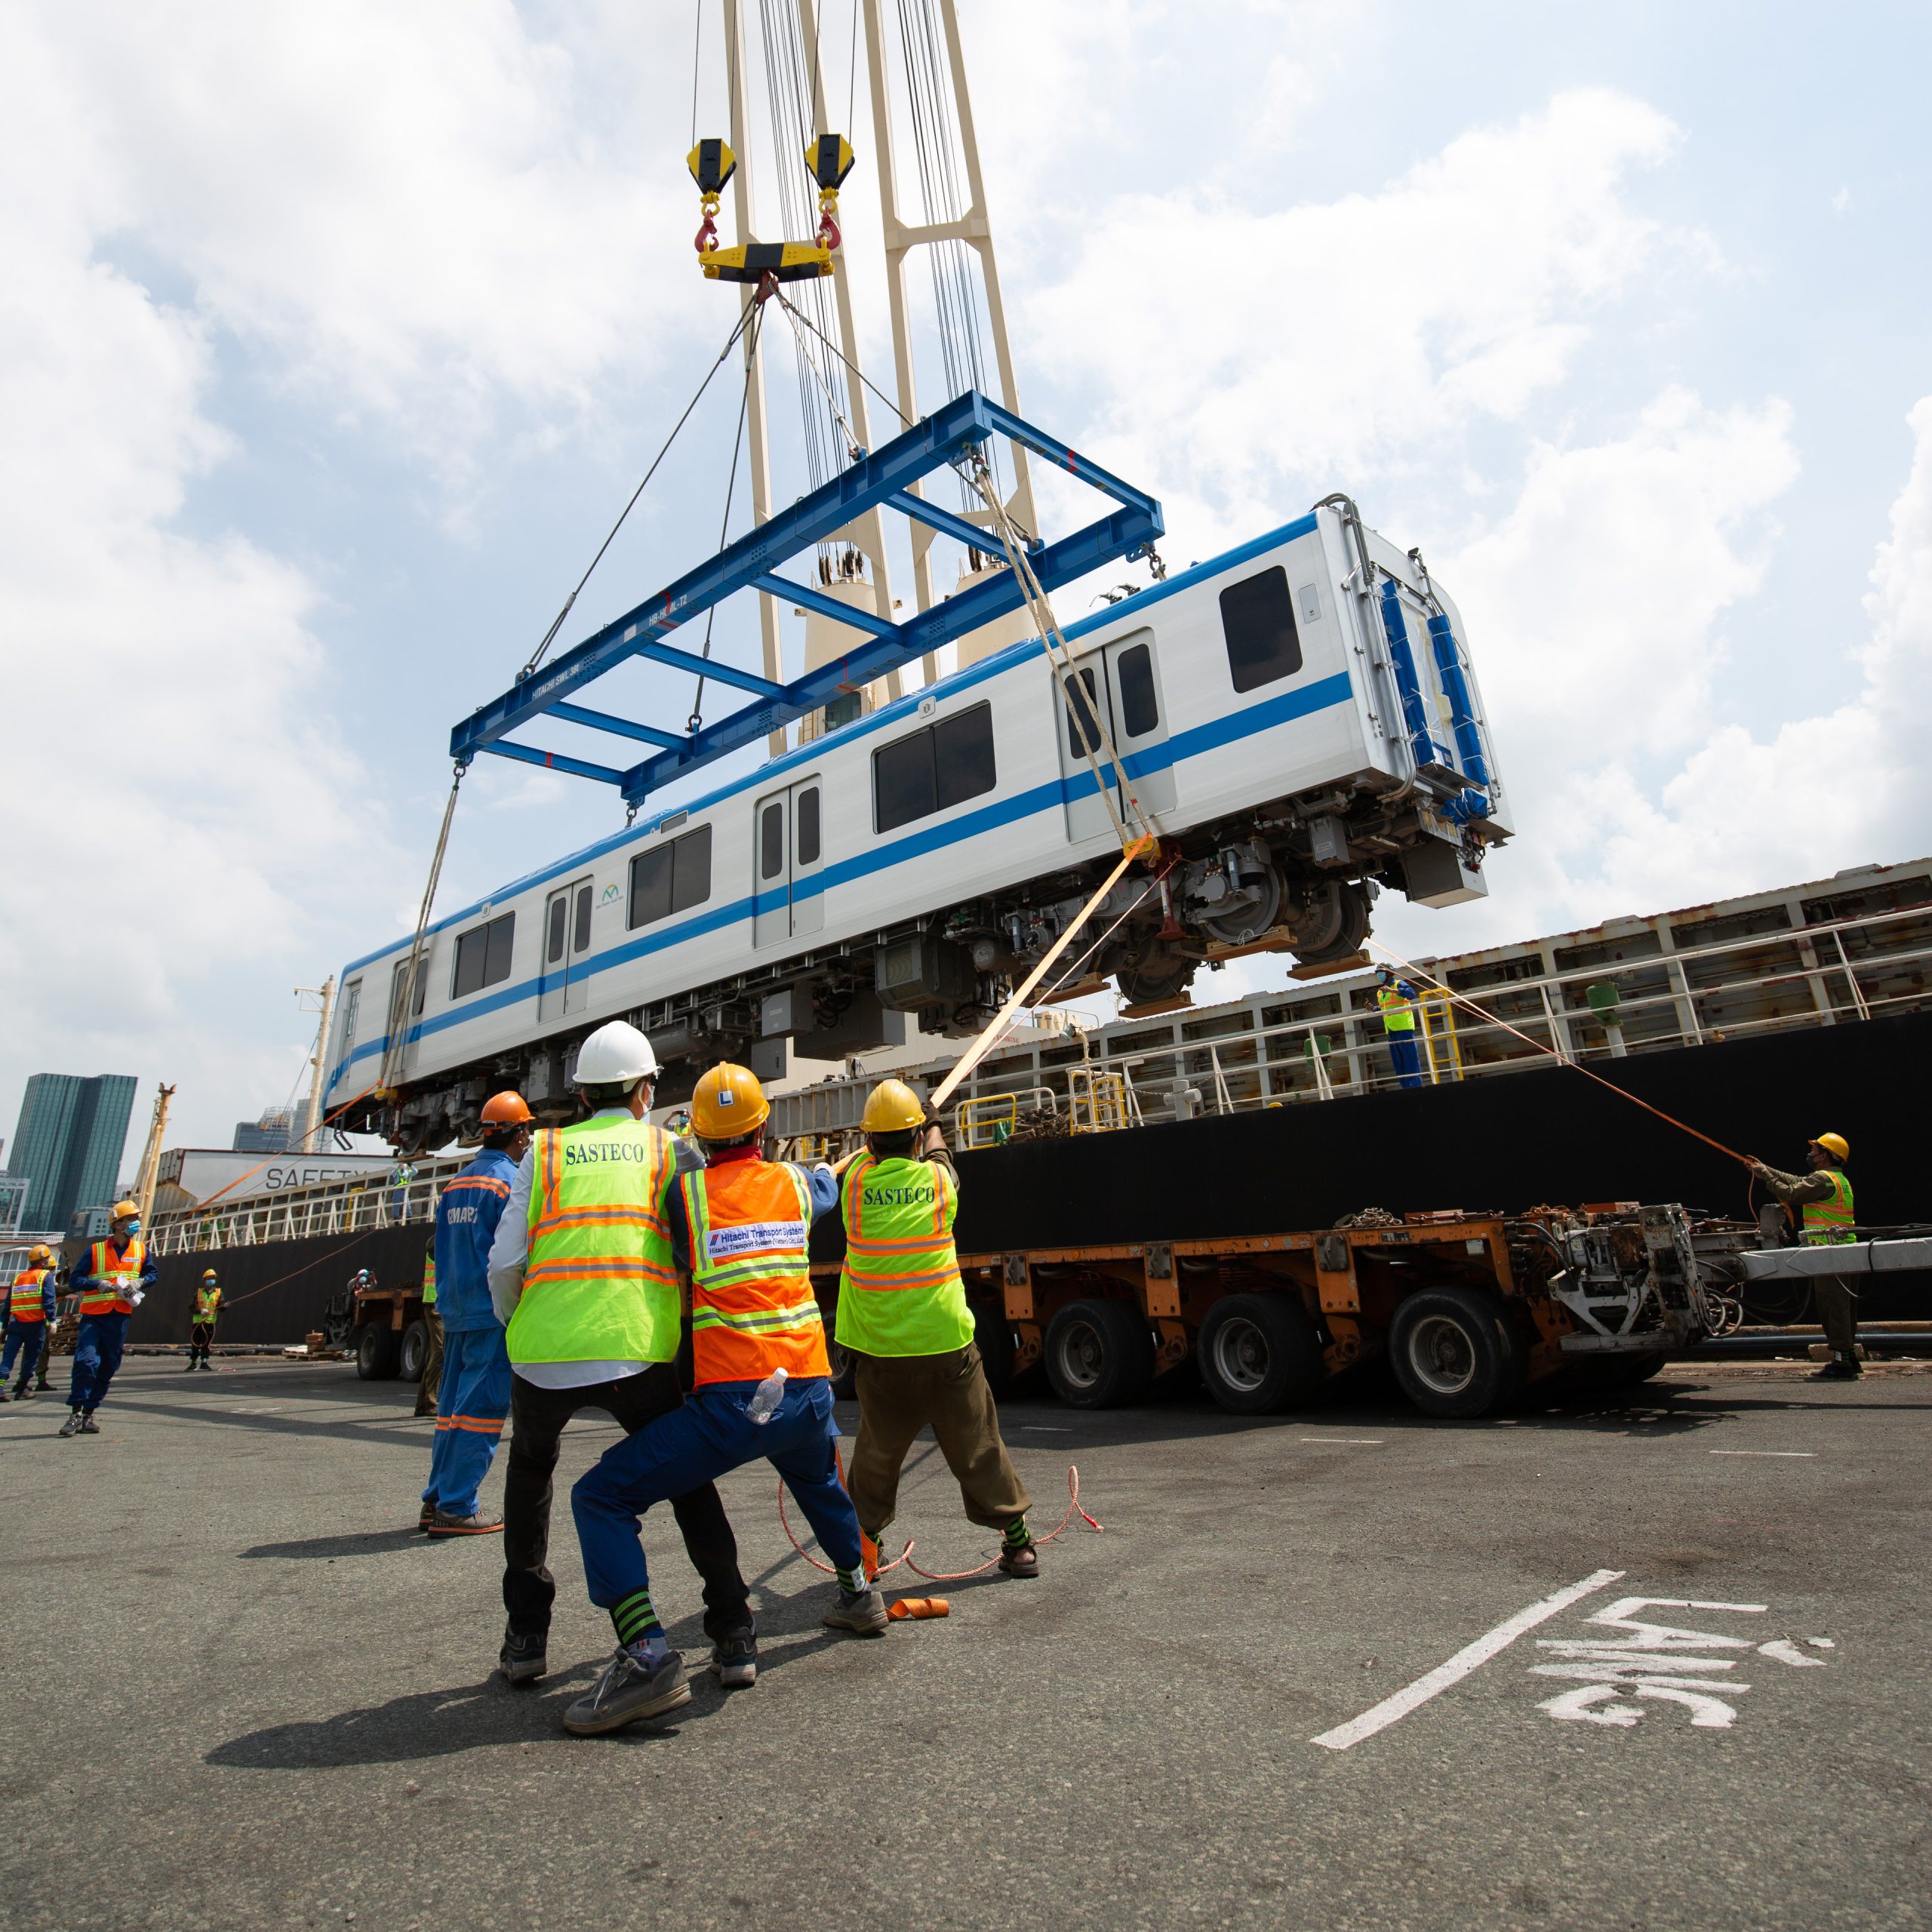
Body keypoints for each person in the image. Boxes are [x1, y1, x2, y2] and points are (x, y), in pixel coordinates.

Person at [565, 1063, 881, 1735]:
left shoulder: (688, 1197)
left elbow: (670, 1220)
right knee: (823, 1488)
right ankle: (859, 1595)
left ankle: (646, 1648)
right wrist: (849, 1157)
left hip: (731, 1407)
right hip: (805, 1395)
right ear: (765, 1128)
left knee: (600, 1496)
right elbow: (828, 1181)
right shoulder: (799, 1186)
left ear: (701, 1138)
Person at [487, 1020, 751, 1695]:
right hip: (638, 1352)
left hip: (543, 1355)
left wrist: (521, 1322)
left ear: (579, 1096)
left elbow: (505, 1262)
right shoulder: (671, 1152)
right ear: (643, 1091)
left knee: (531, 1477)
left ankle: (526, 1639)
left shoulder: (540, 1153)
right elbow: (705, 1247)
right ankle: (731, 1629)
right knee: (686, 1481)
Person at [835, 1079, 1038, 1583]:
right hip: (948, 1349)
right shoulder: (939, 1187)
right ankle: (1019, 1547)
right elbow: (944, 1160)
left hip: (881, 1354)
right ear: (915, 1139)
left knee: (875, 1461)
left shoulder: (856, 1188)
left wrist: (897, 1132)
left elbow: (864, 1156)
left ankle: (865, 1560)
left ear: (870, 1144)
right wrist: (934, 1123)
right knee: (980, 1445)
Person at [418, 1094, 531, 1536]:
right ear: (519, 1133)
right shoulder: (510, 1184)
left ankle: (437, 1499)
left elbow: (440, 1250)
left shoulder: (456, 1185)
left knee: (451, 1412)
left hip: (456, 1310)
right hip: (491, 1313)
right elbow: (511, 1256)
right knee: (480, 1412)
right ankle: (457, 1506)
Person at [1748, 1132, 1860, 1380]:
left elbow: (1793, 1194)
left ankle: (1842, 1362)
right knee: (1843, 1307)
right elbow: (1798, 1182)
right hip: (1843, 1249)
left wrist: (1765, 1176)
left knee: (1832, 1306)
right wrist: (1767, 1169)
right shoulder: (1834, 1178)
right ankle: (1849, 1357)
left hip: (1830, 1252)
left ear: (1826, 1155)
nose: (1811, 1154)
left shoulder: (1823, 1179)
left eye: (1816, 1150)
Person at [60, 1199, 156, 1436]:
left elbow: (153, 1273)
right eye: (131, 1219)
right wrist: (97, 1284)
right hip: (93, 1317)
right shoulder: (95, 1251)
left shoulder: (142, 1250)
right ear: (117, 1224)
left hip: (120, 1316)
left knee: (109, 1365)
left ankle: (89, 1413)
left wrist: (140, 1281)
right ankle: (74, 1413)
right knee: (86, 1362)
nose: (135, 1223)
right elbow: (75, 1280)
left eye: (135, 1219)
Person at [1, 1244, 57, 1401]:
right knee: (31, 1358)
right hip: (35, 1325)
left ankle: (0, 1388)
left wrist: (4, 1326)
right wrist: (52, 1321)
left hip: (16, 1325)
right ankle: (22, 1388)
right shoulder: (45, 1276)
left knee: (8, 1358)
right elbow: (49, 1301)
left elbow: (8, 1304)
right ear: (44, 1261)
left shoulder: (18, 1278)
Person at [1375, 968, 1424, 1090]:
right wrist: (1373, 1008)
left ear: (1390, 973)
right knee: (1398, 1063)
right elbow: (1386, 1008)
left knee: (1410, 1059)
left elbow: (1411, 994)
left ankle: (1415, 1087)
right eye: (1378, 973)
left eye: (1381, 973)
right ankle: (1405, 1088)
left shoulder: (1398, 984)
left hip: (1404, 1028)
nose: (1379, 975)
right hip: (1391, 1030)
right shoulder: (1380, 993)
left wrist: (1392, 990)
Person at [414, 1236, 442, 1420]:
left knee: (434, 1352)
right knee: (440, 1350)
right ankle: (430, 1401)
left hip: (439, 1301)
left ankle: (423, 1404)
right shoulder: (435, 1241)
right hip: (434, 1302)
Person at [186, 1269, 222, 1371]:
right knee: (195, 1343)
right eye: (209, 1279)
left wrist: (225, 1306)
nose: (211, 1280)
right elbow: (191, 1307)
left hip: (210, 1322)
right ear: (204, 1280)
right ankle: (193, 1363)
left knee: (206, 1344)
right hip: (198, 1322)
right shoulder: (199, 1293)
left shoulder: (218, 1293)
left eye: (213, 1278)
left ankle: (204, 1362)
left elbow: (220, 1307)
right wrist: (200, 1310)